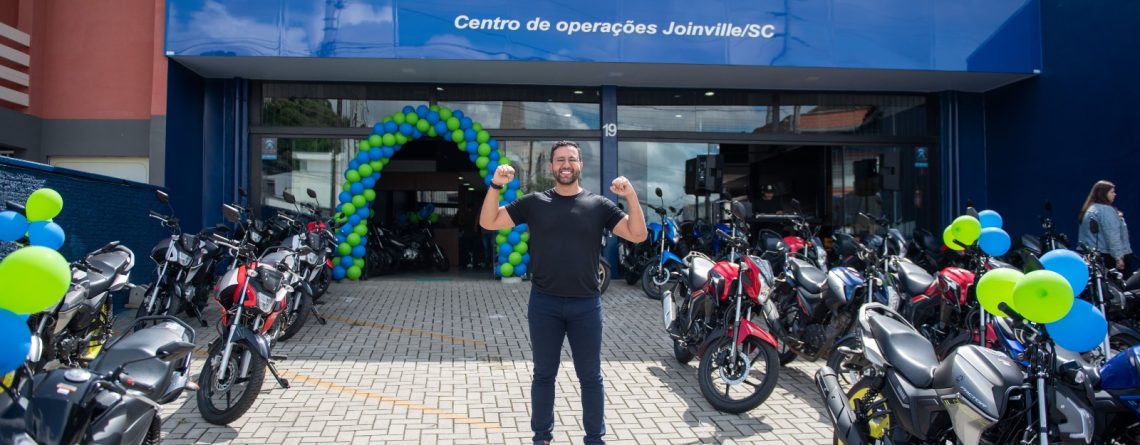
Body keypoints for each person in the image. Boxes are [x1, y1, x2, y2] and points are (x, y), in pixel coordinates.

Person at [479, 141, 647, 445]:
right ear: (551, 166)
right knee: (544, 375)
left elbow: (638, 234)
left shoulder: (598, 205)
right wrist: (495, 185)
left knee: (590, 376)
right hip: (544, 304)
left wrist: (631, 196)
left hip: (586, 305)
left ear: (581, 165)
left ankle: (594, 439)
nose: (565, 165)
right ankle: (542, 437)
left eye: (571, 159)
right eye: (560, 160)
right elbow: (488, 221)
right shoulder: (534, 202)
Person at [1078, 180, 1132, 272]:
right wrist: (1118, 257)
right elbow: (1112, 235)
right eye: (1112, 192)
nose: (1115, 194)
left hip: (1091, 257)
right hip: (1108, 259)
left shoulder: (1089, 209)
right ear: (1103, 194)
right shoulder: (1105, 210)